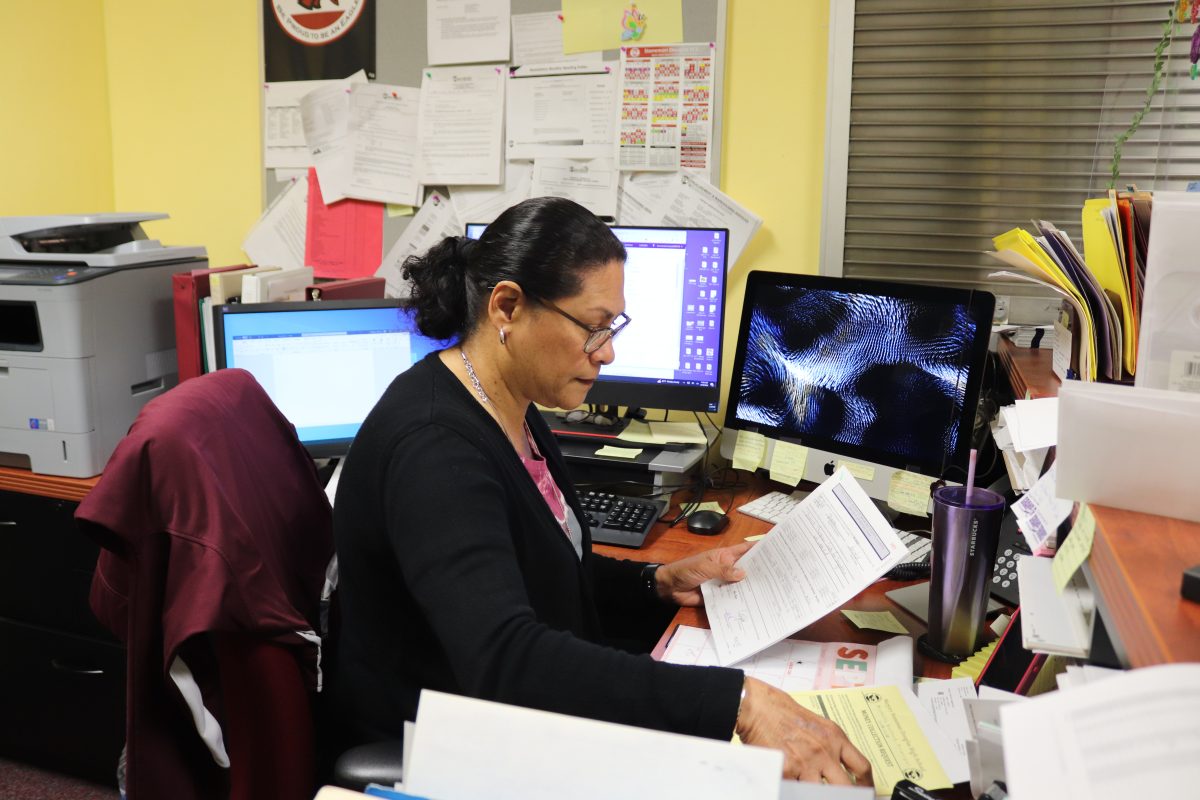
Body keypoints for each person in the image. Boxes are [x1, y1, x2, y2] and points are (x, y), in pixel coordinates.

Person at [327, 196, 871, 785]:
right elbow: (505, 658)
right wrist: (736, 702)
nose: (607, 351)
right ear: (507, 306)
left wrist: (655, 582)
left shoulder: (511, 403)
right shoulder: (436, 449)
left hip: (515, 715)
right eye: (593, 327)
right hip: (455, 742)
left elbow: (543, 572)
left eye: (612, 326)